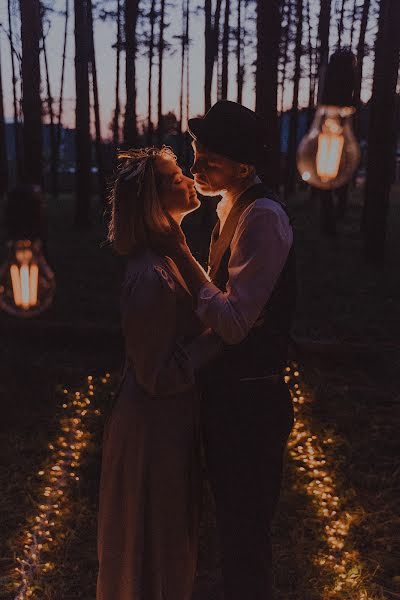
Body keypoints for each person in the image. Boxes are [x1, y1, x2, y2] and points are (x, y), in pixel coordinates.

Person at [155, 100, 297, 600]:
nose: (196, 167)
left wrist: (179, 253)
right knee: (231, 523)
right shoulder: (227, 208)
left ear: (243, 165)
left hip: (252, 404)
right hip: (227, 397)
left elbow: (235, 323)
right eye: (196, 151)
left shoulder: (263, 219)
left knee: (247, 528)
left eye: (209, 158)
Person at [96, 146, 222, 600]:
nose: (189, 179)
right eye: (174, 179)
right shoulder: (151, 276)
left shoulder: (171, 259)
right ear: (152, 202)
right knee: (152, 541)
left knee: (169, 538)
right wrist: (219, 341)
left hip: (170, 422)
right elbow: (156, 375)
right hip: (151, 428)